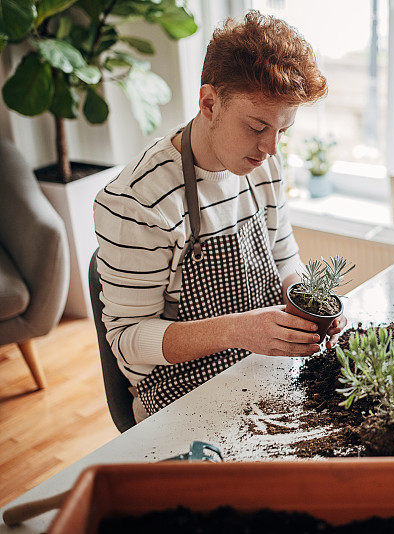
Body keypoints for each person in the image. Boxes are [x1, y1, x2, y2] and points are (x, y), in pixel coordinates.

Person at [94, 11, 344, 422]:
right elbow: (127, 339)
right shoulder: (136, 203)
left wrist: (311, 306)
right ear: (209, 102)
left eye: (283, 130)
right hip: (180, 397)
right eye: (257, 126)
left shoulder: (264, 165)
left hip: (261, 369)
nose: (271, 149)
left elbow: (285, 259)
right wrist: (237, 330)